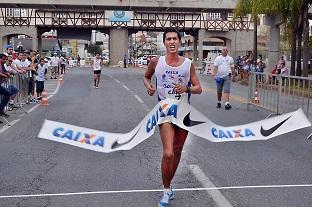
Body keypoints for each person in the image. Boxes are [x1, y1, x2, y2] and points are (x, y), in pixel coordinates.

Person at [143, 29, 202, 207]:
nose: (172, 41)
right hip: (165, 111)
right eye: (168, 39)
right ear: (164, 43)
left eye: (175, 38)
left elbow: (198, 88)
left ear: (180, 42)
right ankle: (166, 190)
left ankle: (169, 186)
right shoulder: (156, 61)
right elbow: (146, 77)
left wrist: (187, 89)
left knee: (177, 151)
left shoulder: (187, 64)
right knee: (168, 152)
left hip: (183, 112)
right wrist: (149, 87)